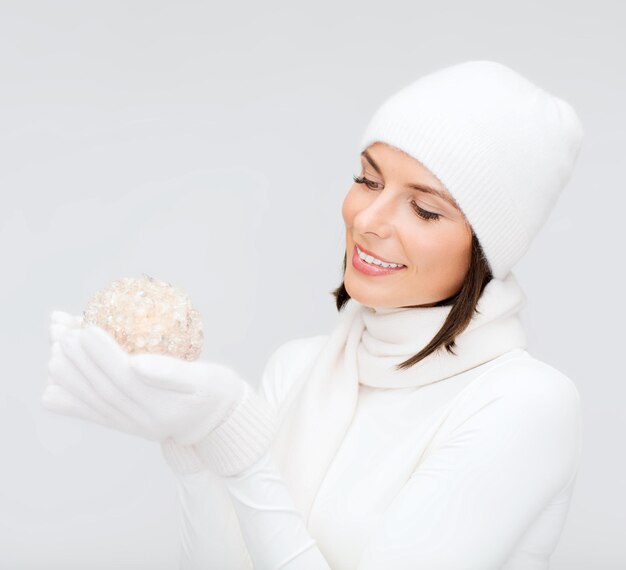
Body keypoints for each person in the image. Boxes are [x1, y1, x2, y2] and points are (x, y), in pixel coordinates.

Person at [43, 59, 584, 569]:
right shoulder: (299, 369)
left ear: (486, 249)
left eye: (424, 208)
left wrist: (245, 455)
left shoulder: (525, 405)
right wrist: (192, 450)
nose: (368, 218)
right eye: (368, 180)